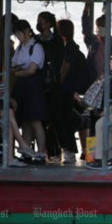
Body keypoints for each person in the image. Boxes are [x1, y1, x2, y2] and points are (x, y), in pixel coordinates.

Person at [11, 19, 48, 164]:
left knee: (35, 120)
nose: (18, 36)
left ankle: (41, 153)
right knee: (26, 120)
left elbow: (32, 69)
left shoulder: (36, 47)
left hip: (34, 87)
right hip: (22, 87)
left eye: (19, 33)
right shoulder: (21, 47)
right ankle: (26, 152)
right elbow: (13, 65)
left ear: (26, 31)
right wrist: (18, 71)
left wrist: (18, 73)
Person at [56, 19, 90, 165]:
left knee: (64, 120)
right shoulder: (73, 49)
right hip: (75, 92)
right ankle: (83, 151)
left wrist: (56, 85)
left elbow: (64, 72)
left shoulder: (69, 50)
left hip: (68, 92)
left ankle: (69, 151)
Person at [37, 11, 65, 161]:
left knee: (54, 119)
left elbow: (60, 61)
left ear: (48, 23)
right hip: (39, 84)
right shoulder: (36, 40)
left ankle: (54, 150)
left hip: (53, 85)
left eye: (41, 21)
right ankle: (41, 150)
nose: (39, 24)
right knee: (40, 119)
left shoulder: (57, 41)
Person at [82, 2, 112, 81]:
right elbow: (86, 28)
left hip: (110, 80)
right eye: (98, 26)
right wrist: (86, 9)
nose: (100, 28)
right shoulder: (93, 41)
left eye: (103, 26)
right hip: (93, 79)